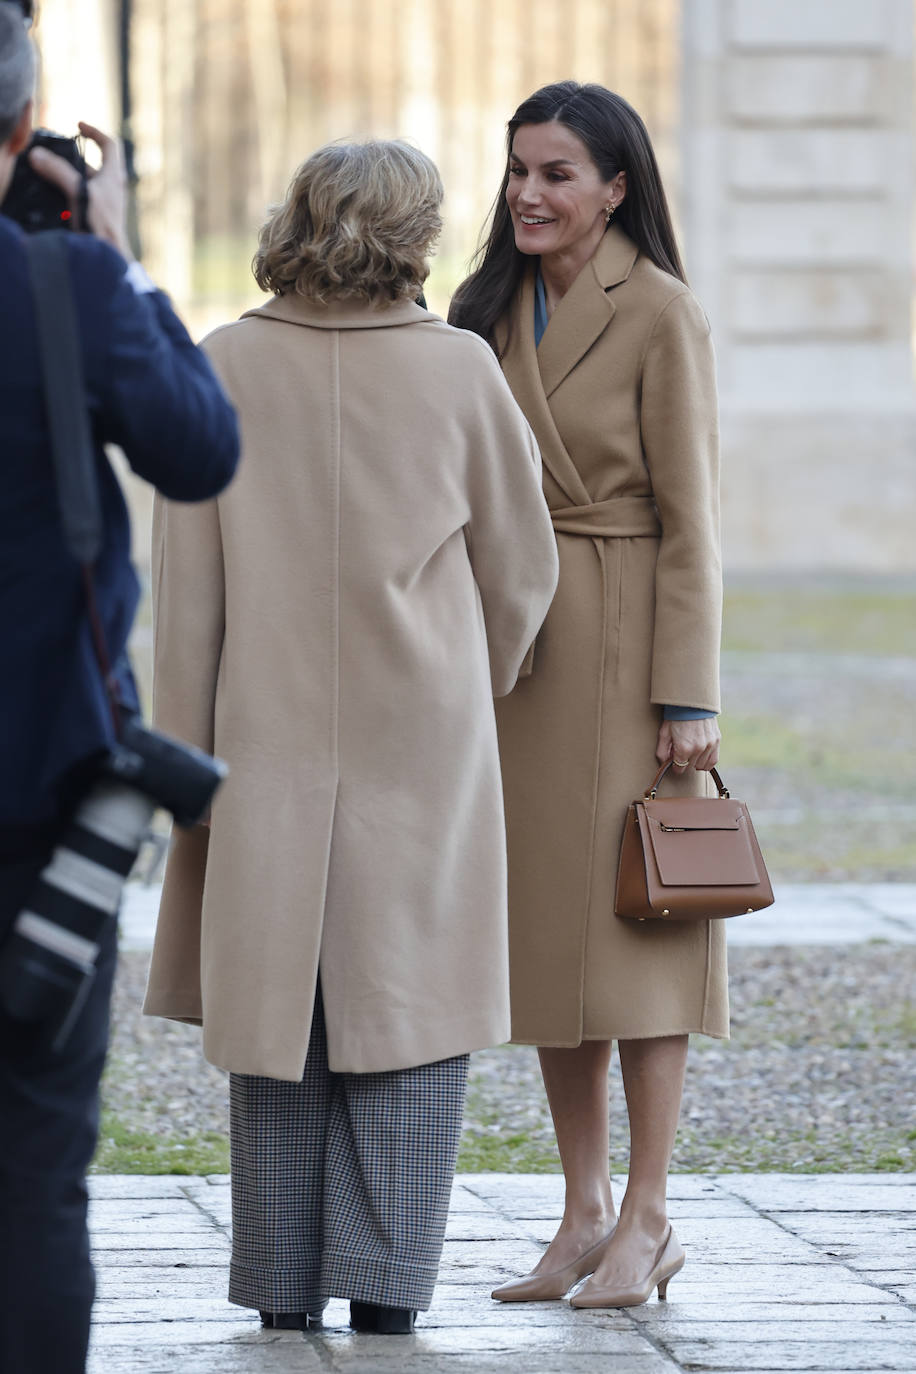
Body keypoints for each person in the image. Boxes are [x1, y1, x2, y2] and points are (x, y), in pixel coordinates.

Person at [142, 138, 558, 1335]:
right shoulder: (462, 371)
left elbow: (188, 594)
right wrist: (465, 683)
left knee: (282, 1029)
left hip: (258, 737)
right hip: (419, 738)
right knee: (410, 1022)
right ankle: (386, 1294)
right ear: (416, 232)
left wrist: (187, 756)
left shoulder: (218, 366)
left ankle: (280, 1291)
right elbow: (521, 572)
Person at [449, 81, 725, 1309]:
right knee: (554, 946)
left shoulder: (661, 313)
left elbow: (692, 526)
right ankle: (580, 1215)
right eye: (517, 170)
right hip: (516, 652)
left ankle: (650, 1215)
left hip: (623, 652)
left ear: (616, 186)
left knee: (638, 936)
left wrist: (689, 697)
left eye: (557, 172)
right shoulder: (485, 310)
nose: (527, 193)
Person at [0, 7, 240, 1372]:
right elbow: (201, 449)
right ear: (25, 136)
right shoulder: (69, 292)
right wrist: (113, 257)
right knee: (35, 1163)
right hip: (41, 801)